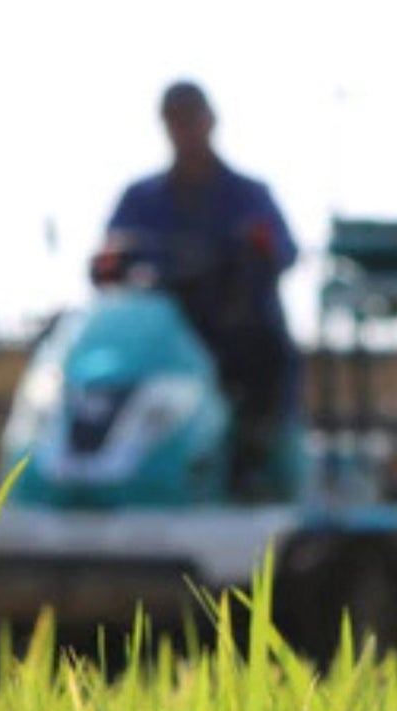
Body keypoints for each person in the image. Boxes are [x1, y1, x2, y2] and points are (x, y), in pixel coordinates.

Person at [98, 80, 299, 495]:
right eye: (175, 120)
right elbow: (107, 259)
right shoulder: (139, 198)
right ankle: (91, 464)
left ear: (210, 121)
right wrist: (115, 260)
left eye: (191, 118)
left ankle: (250, 462)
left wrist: (254, 249)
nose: (184, 130)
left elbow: (283, 251)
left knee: (265, 352)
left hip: (228, 332)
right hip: (154, 335)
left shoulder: (249, 196)